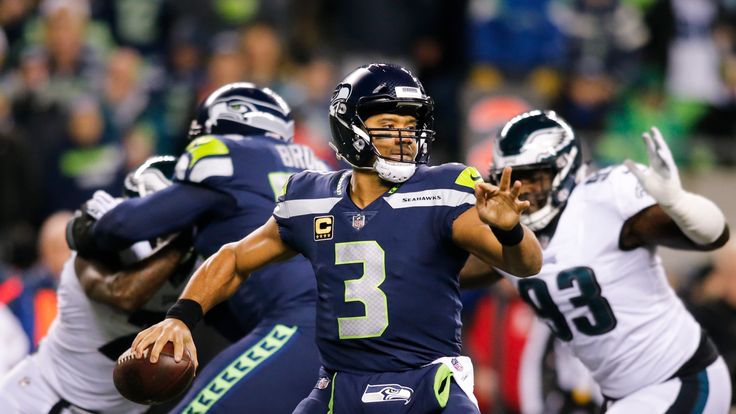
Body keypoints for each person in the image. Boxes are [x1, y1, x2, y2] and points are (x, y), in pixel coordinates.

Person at [131, 63, 543, 413]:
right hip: (339, 389)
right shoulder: (310, 198)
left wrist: (509, 229)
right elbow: (235, 258)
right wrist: (181, 317)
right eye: (388, 125)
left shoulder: (444, 188)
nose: (404, 139)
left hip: (424, 385)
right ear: (351, 127)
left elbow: (525, 264)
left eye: (411, 125)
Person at [73, 83, 328, 413]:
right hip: (351, 332)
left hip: (301, 323)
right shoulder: (319, 168)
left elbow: (121, 227)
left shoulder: (229, 156)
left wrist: (96, 218)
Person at [483, 110, 731, 413]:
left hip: (680, 378)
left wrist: (680, 204)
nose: (525, 191)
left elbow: (712, 236)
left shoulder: (604, 197)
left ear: (564, 168)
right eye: (514, 179)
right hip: (621, 396)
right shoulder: (503, 233)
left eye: (535, 177)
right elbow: (446, 274)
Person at [0, 157, 194, 414]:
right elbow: (123, 294)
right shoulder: (92, 255)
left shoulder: (194, 261)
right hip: (42, 400)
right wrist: (184, 239)